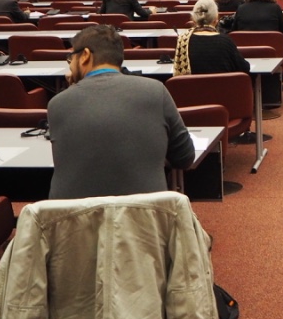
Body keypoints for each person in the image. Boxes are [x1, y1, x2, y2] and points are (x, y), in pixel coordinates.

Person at [47, 25, 194, 199]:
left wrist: (72, 90)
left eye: (71, 58)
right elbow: (185, 157)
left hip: (76, 216)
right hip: (145, 214)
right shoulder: (156, 91)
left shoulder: (57, 104)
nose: (70, 65)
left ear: (85, 55)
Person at [234, 0, 283, 108]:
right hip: (273, 55)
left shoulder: (241, 9)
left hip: (245, 55)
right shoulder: (275, 8)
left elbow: (234, 31)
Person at [173, 0, 250, 76]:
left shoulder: (182, 41)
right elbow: (244, 68)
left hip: (192, 85)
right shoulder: (226, 42)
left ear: (193, 20)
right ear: (216, 19)